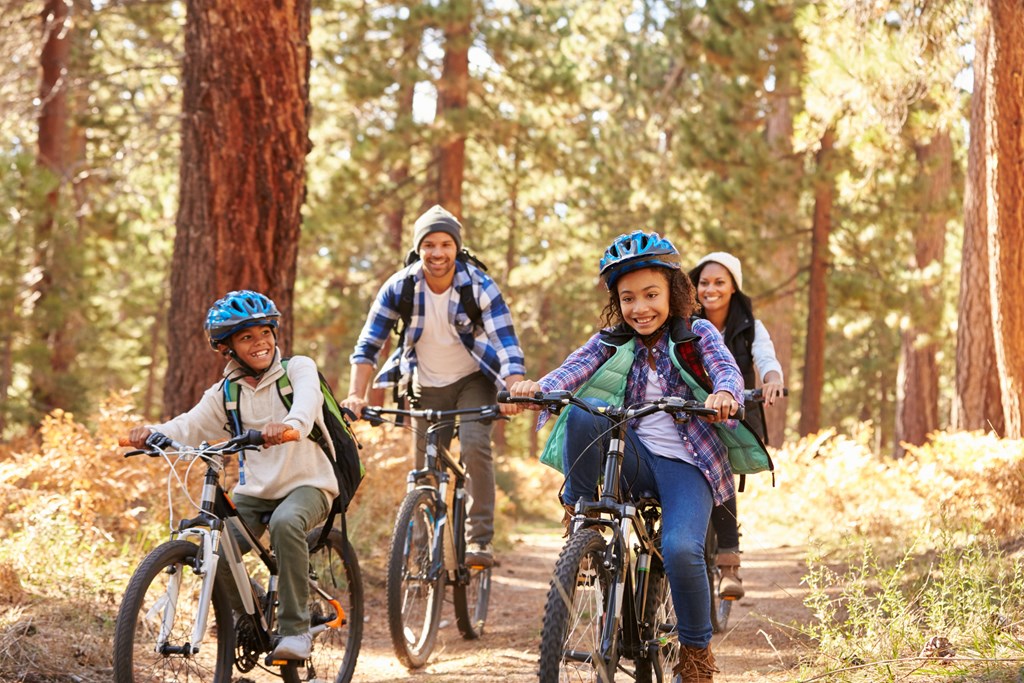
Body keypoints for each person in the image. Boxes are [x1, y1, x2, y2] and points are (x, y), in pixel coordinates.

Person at [509, 230, 743, 682]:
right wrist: (539, 389)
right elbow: (573, 369)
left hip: (687, 465)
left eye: (651, 295)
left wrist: (726, 394)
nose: (640, 308)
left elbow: (725, 369)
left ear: (672, 293)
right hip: (633, 458)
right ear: (617, 302)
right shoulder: (613, 340)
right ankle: (584, 519)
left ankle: (696, 655)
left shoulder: (697, 333)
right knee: (585, 410)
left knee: (680, 549)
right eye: (628, 298)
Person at [126, 290, 338, 661]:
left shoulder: (297, 370)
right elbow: (189, 424)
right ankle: (251, 608)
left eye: (265, 333)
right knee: (214, 546)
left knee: (287, 523)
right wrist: (152, 433)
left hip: (310, 484)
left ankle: (296, 629)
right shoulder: (227, 393)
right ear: (227, 348)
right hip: (256, 490)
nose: (261, 343)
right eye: (247, 337)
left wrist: (289, 425)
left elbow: (306, 406)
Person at [341, 205, 525, 568]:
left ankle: (479, 539)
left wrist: (513, 388)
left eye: (445, 244)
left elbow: (505, 343)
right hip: (424, 383)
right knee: (424, 471)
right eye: (429, 244)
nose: (437, 253)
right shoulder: (400, 287)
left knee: (474, 445)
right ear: (418, 247)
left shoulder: (479, 285)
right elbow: (368, 345)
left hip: (474, 379)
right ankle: (423, 558)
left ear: (456, 247)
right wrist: (356, 395)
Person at [689, 252, 784, 601]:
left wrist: (772, 380)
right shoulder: (683, 321)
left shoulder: (751, 326)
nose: (710, 289)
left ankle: (729, 564)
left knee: (720, 465)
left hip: (732, 414)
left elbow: (766, 359)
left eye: (719, 282)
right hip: (689, 409)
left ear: (733, 288)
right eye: (704, 282)